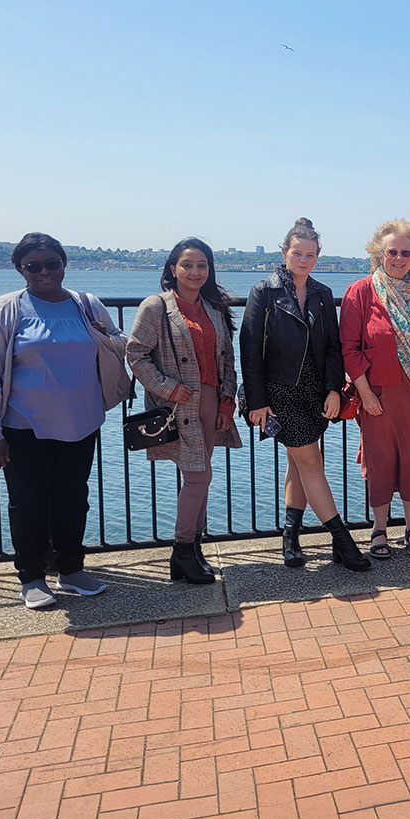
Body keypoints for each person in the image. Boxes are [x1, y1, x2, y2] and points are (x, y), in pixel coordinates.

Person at [0, 232, 123, 608]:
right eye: (32, 266)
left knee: (73, 500)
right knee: (28, 504)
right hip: (23, 428)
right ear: (20, 269)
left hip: (82, 423)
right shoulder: (6, 310)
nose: (44, 272)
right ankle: (32, 577)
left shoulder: (87, 305)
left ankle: (71, 570)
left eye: (51, 264)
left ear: (64, 264)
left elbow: (118, 341)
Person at [240, 219, 369, 572]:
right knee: (312, 463)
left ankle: (290, 537)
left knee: (300, 466)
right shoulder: (263, 293)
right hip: (278, 394)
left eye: (310, 254)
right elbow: (249, 350)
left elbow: (332, 348)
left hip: (314, 394)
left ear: (317, 257)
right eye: (297, 253)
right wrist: (257, 401)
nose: (303, 259)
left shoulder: (323, 295)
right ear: (285, 253)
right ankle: (342, 541)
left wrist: (333, 389)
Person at [127, 237, 242, 584]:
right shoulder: (156, 307)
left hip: (210, 401)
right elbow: (136, 354)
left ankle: (193, 550)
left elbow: (226, 358)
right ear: (173, 269)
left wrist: (227, 400)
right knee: (198, 477)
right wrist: (167, 389)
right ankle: (181, 551)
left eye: (202, 265)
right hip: (178, 404)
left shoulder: (214, 308)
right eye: (187, 265)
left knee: (200, 475)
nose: (195, 271)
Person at [340, 220, 410, 559]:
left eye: (406, 252)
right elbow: (349, 348)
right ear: (379, 253)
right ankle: (379, 528)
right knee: (381, 461)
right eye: (392, 252)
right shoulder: (361, 292)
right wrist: (366, 393)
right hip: (378, 395)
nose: (399, 258)